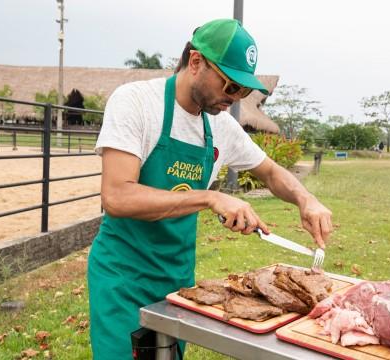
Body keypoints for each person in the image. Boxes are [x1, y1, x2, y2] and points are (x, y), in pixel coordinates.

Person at [87, 19, 332, 359]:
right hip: (123, 278)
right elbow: (117, 196)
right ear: (197, 62)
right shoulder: (138, 102)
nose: (234, 99)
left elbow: (272, 173)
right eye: (230, 86)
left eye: (243, 92)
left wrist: (307, 200)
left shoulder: (221, 126)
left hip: (177, 279)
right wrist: (210, 197)